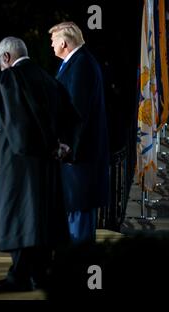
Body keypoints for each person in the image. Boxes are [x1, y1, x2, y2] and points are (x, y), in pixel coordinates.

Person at [0, 36, 73, 291]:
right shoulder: (49, 79)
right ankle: (40, 274)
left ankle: (20, 276)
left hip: (18, 163)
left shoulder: (10, 78)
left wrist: (42, 146)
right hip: (48, 162)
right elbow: (70, 116)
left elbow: (17, 124)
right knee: (41, 218)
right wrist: (61, 146)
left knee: (20, 218)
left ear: (6, 58)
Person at [49, 22, 109, 244]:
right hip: (77, 160)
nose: (51, 45)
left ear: (64, 42)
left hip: (80, 159)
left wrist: (67, 147)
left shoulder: (81, 64)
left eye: (53, 40)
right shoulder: (75, 62)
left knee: (80, 224)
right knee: (74, 220)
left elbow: (77, 112)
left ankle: (79, 273)